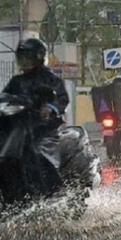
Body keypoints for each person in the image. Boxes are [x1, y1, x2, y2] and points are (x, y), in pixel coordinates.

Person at [1, 38, 67, 201]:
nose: (23, 62)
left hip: (42, 128)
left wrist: (49, 108)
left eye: (27, 58)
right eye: (21, 58)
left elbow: (61, 98)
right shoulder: (17, 81)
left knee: (36, 153)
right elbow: (5, 97)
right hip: (16, 126)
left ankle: (56, 193)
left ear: (38, 57)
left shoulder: (50, 78)